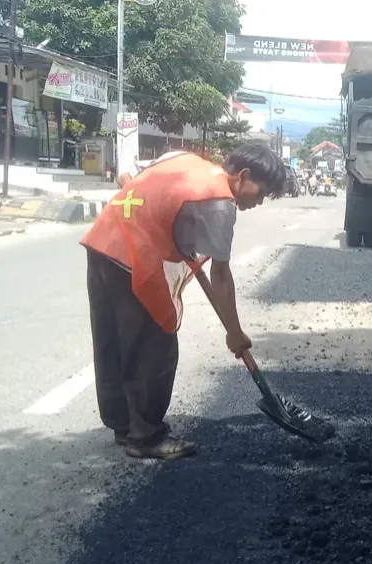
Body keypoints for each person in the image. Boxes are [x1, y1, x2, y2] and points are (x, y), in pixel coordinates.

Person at [82, 145, 285, 460]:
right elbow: (219, 274)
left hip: (101, 241)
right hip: (131, 255)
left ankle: (123, 424)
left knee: (114, 340)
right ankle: (145, 437)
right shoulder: (220, 204)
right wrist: (235, 332)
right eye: (261, 193)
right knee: (155, 346)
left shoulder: (183, 159)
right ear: (243, 176)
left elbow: (134, 180)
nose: (258, 202)